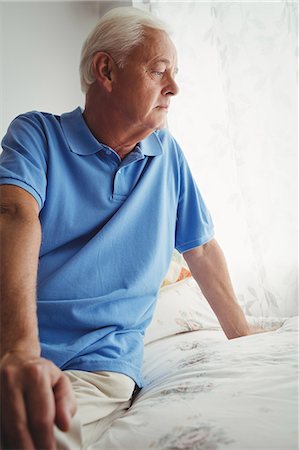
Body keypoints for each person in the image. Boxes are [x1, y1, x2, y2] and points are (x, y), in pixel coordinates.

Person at [0, 6, 264, 450]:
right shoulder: (37, 134)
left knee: (34, 434)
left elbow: (199, 248)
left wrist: (242, 334)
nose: (174, 87)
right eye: (160, 71)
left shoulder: (168, 155)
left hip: (97, 364)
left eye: (175, 73)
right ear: (106, 70)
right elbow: (13, 212)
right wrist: (20, 351)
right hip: (13, 343)